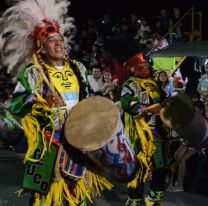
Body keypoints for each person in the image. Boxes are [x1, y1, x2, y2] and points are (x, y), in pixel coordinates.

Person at [0, 0, 113, 205]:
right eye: (51, 40)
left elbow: (91, 100)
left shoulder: (79, 68)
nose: (59, 42)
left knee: (74, 197)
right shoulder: (33, 73)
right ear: (41, 49)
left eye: (60, 38)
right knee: (44, 199)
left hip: (77, 143)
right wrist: (40, 98)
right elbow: (14, 105)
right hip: (49, 144)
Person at [121, 53, 168, 206]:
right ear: (134, 68)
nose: (147, 67)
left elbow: (163, 102)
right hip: (138, 134)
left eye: (148, 65)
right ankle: (134, 199)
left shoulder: (154, 83)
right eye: (143, 66)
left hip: (156, 132)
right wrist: (147, 109)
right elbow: (126, 103)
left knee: (160, 166)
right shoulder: (129, 84)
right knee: (138, 167)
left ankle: (155, 196)